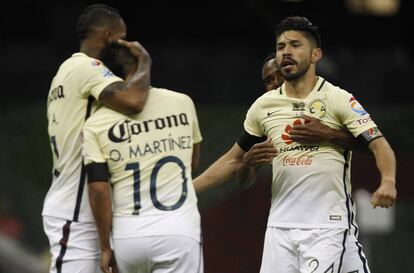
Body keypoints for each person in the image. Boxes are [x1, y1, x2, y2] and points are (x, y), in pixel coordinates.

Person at [195, 16, 396, 273]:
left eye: (295, 45)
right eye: (281, 46)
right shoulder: (263, 107)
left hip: (326, 225)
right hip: (280, 228)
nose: (286, 51)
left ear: (315, 55)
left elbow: (379, 144)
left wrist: (388, 181)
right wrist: (188, 190)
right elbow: (233, 159)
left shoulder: (337, 98)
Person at [43, 4, 151, 273]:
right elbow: (135, 100)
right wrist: (145, 61)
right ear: (108, 37)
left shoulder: (63, 72)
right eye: (122, 38)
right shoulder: (88, 67)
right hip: (76, 211)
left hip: (82, 207)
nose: (125, 45)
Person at [83, 42, 204, 273]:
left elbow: (99, 190)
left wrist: (105, 247)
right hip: (178, 230)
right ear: (142, 67)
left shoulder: (94, 124)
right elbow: (190, 163)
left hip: (129, 236)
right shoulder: (182, 102)